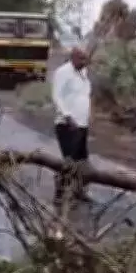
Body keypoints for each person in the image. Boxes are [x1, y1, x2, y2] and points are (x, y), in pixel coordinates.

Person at [51, 47, 93, 204]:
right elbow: (57, 96)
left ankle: (79, 191)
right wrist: (67, 116)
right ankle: (59, 194)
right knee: (69, 160)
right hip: (67, 124)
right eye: (81, 59)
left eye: (85, 59)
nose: (84, 62)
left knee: (82, 160)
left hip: (82, 124)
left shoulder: (84, 73)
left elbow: (84, 96)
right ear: (73, 57)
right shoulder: (63, 72)